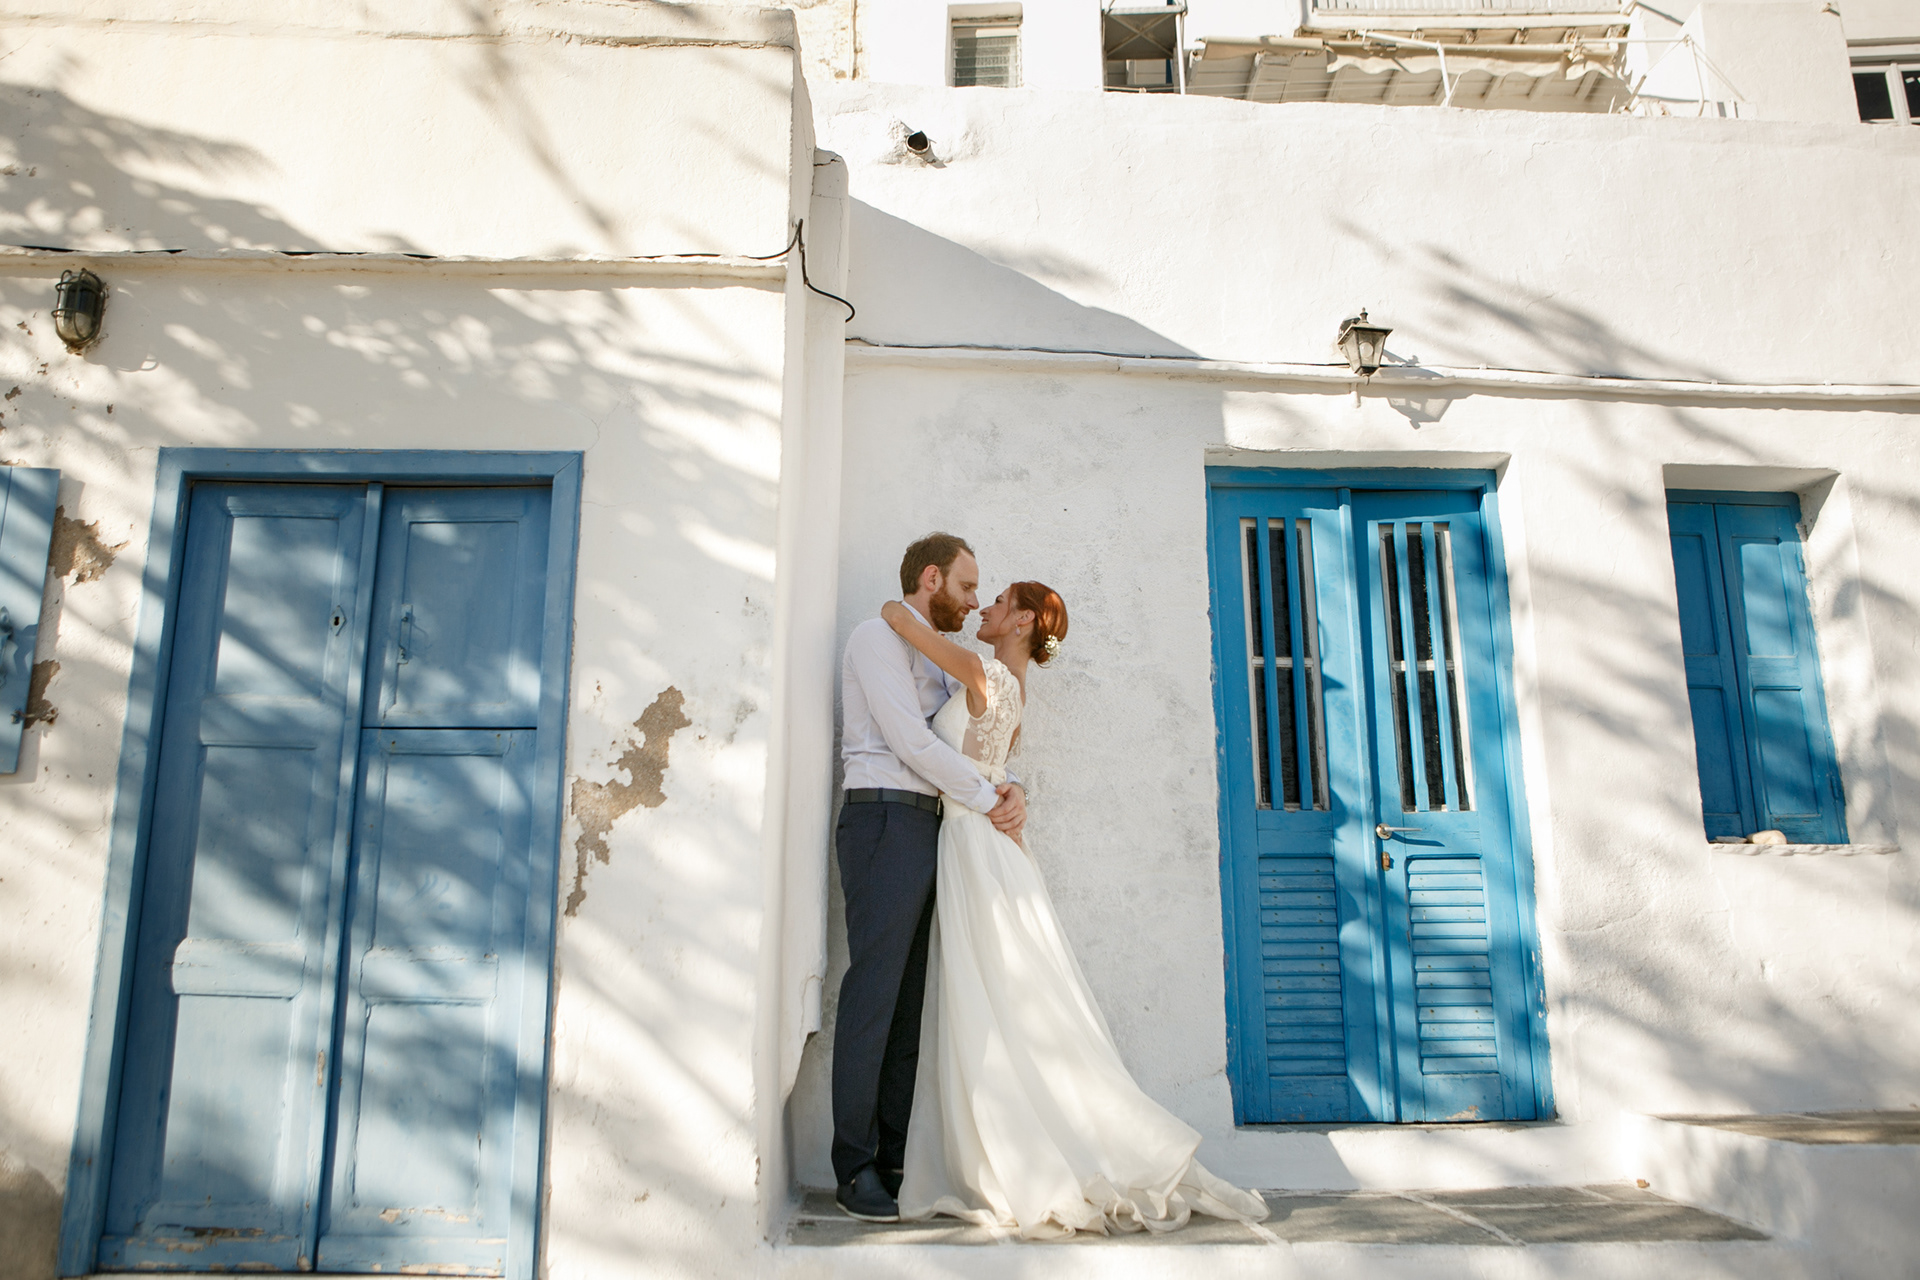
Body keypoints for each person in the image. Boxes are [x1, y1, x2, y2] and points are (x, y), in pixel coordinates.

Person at [881, 580, 1271, 1239]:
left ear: (1025, 620)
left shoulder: (982, 671)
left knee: (993, 999)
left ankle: (1022, 1154)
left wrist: (913, 598)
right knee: (1003, 996)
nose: (983, 608)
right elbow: (994, 770)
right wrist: (1012, 790)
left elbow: (899, 619)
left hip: (974, 845)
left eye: (997, 601)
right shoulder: (1016, 690)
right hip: (984, 843)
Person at [831, 533, 1028, 1223]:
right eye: (969, 588)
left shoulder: (943, 663)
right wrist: (989, 799)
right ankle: (852, 1168)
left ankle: (891, 1158)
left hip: (931, 827)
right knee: (874, 994)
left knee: (908, 1004)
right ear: (934, 577)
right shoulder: (872, 639)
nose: (975, 601)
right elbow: (910, 745)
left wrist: (1008, 787)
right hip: (882, 820)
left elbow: (969, 743)